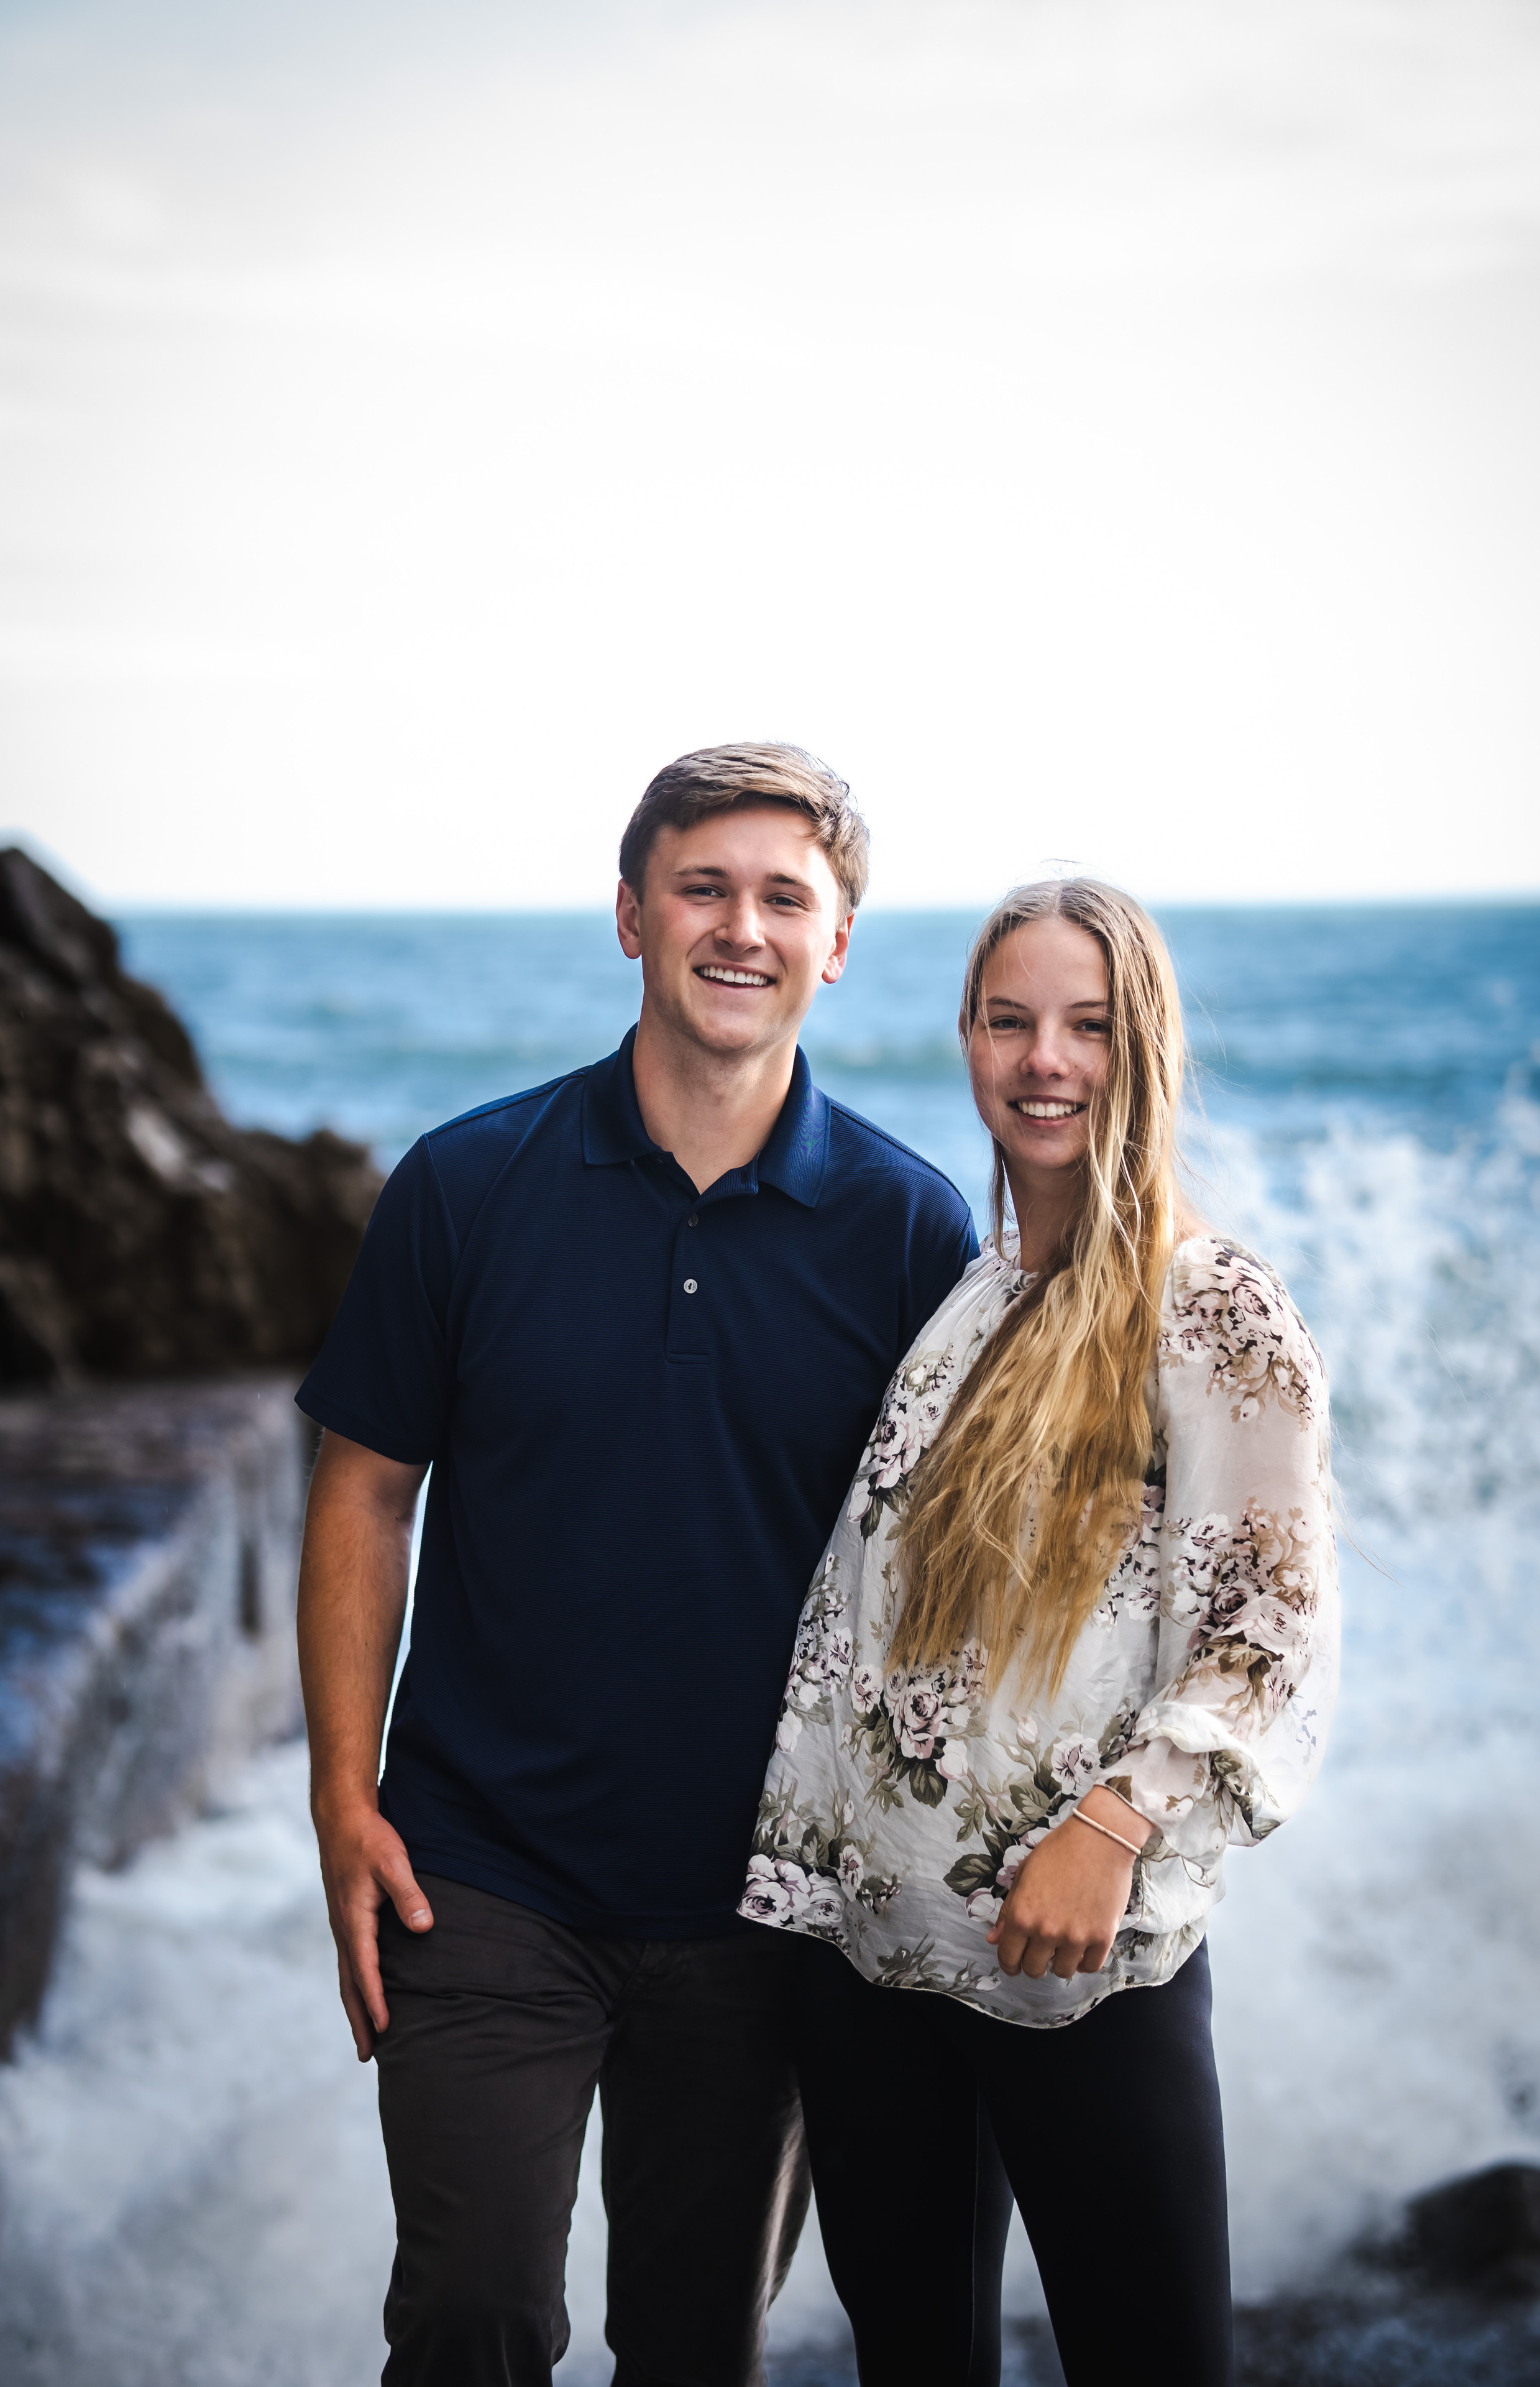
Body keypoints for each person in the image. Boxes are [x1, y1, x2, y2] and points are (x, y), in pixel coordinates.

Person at [293, 744, 979, 2387]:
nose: (739, 928)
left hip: (766, 1909)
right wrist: (341, 1801)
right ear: (629, 915)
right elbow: (364, 1492)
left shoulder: (908, 1231)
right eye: (702, 887)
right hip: (481, 1873)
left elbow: (956, 1583)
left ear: (837, 944)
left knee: (692, 2355)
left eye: (783, 899)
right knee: (473, 2320)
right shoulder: (466, 1185)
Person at [740, 876, 1340, 2387]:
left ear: (1140, 1046)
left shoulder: (1212, 1312)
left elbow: (1264, 1633)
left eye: (1083, 1026)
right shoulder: (969, 1297)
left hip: (1072, 1965)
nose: (1042, 1061)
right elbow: (860, 1627)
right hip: (875, 1970)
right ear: (967, 1039)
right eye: (1007, 1023)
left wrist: (1117, 1825)